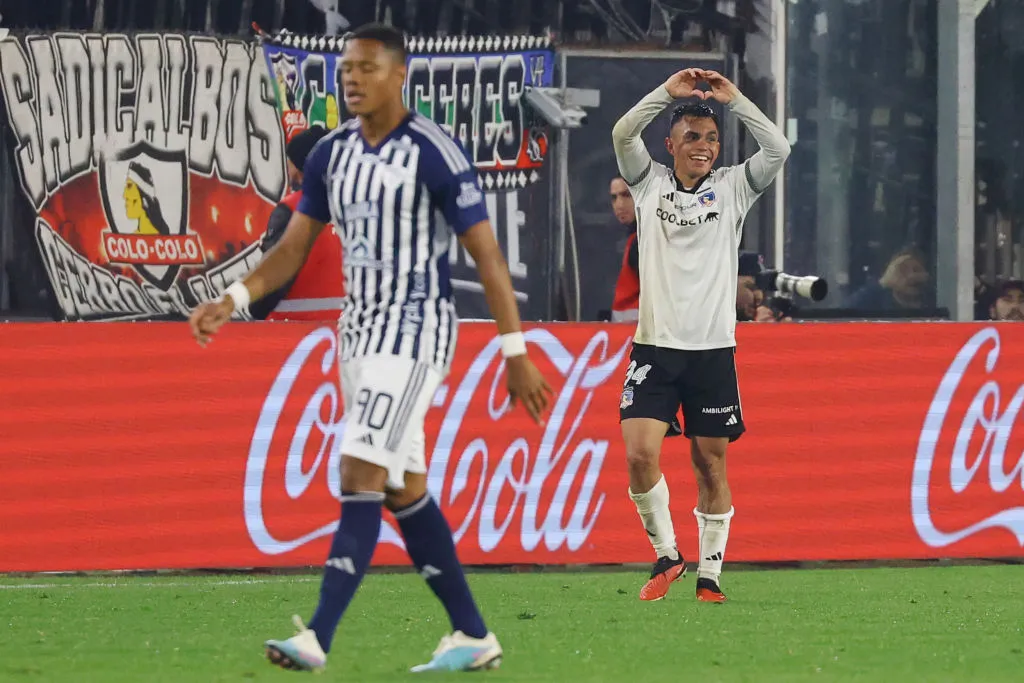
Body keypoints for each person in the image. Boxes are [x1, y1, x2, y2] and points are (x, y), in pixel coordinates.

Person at [188, 24, 552, 673]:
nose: (350, 79)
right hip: (356, 336)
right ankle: (472, 633)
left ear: (398, 74)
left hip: (415, 333)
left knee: (357, 469)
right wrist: (234, 298)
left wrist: (514, 351)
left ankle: (316, 637)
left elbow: (489, 258)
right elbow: (292, 248)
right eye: (345, 69)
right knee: (402, 487)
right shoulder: (331, 155)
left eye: (365, 68)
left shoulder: (435, 152)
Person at [612, 68, 790, 603]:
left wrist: (734, 100)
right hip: (656, 349)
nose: (705, 146)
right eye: (693, 136)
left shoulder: (733, 187)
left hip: (713, 354)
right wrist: (666, 92)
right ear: (669, 144)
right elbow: (623, 133)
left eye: (712, 138)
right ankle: (668, 553)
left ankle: (710, 575)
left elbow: (777, 147)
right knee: (640, 454)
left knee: (710, 462)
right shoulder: (649, 184)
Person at [249, 125, 345, 322]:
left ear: (301, 167)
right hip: (350, 335)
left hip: (297, 338)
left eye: (290, 162)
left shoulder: (292, 211)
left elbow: (269, 289)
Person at [845, 247, 930, 311]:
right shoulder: (876, 303)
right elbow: (846, 313)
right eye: (903, 270)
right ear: (891, 274)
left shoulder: (934, 302)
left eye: (916, 270)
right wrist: (883, 282)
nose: (911, 276)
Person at [610, 176, 640, 322]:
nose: (619, 205)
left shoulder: (645, 240)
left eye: (626, 195)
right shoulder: (634, 239)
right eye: (614, 198)